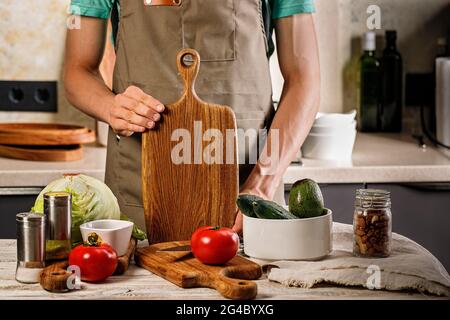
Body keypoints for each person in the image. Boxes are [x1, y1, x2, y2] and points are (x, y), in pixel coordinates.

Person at [64, 0, 320, 234]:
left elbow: (304, 80)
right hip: (139, 196)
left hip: (247, 200)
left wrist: (263, 182)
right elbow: (77, 71)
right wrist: (110, 107)